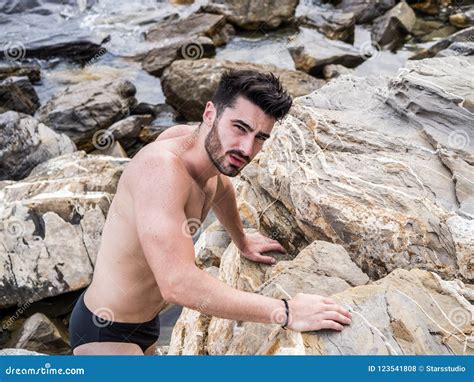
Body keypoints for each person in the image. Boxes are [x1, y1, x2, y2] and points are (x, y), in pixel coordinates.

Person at [69, 69, 352, 355]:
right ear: (209, 113)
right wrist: (287, 312)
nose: (246, 148)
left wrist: (241, 239)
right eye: (239, 127)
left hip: (146, 321)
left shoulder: (191, 143)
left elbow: (222, 188)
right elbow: (176, 283)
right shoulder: (160, 171)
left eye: (260, 137)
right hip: (105, 331)